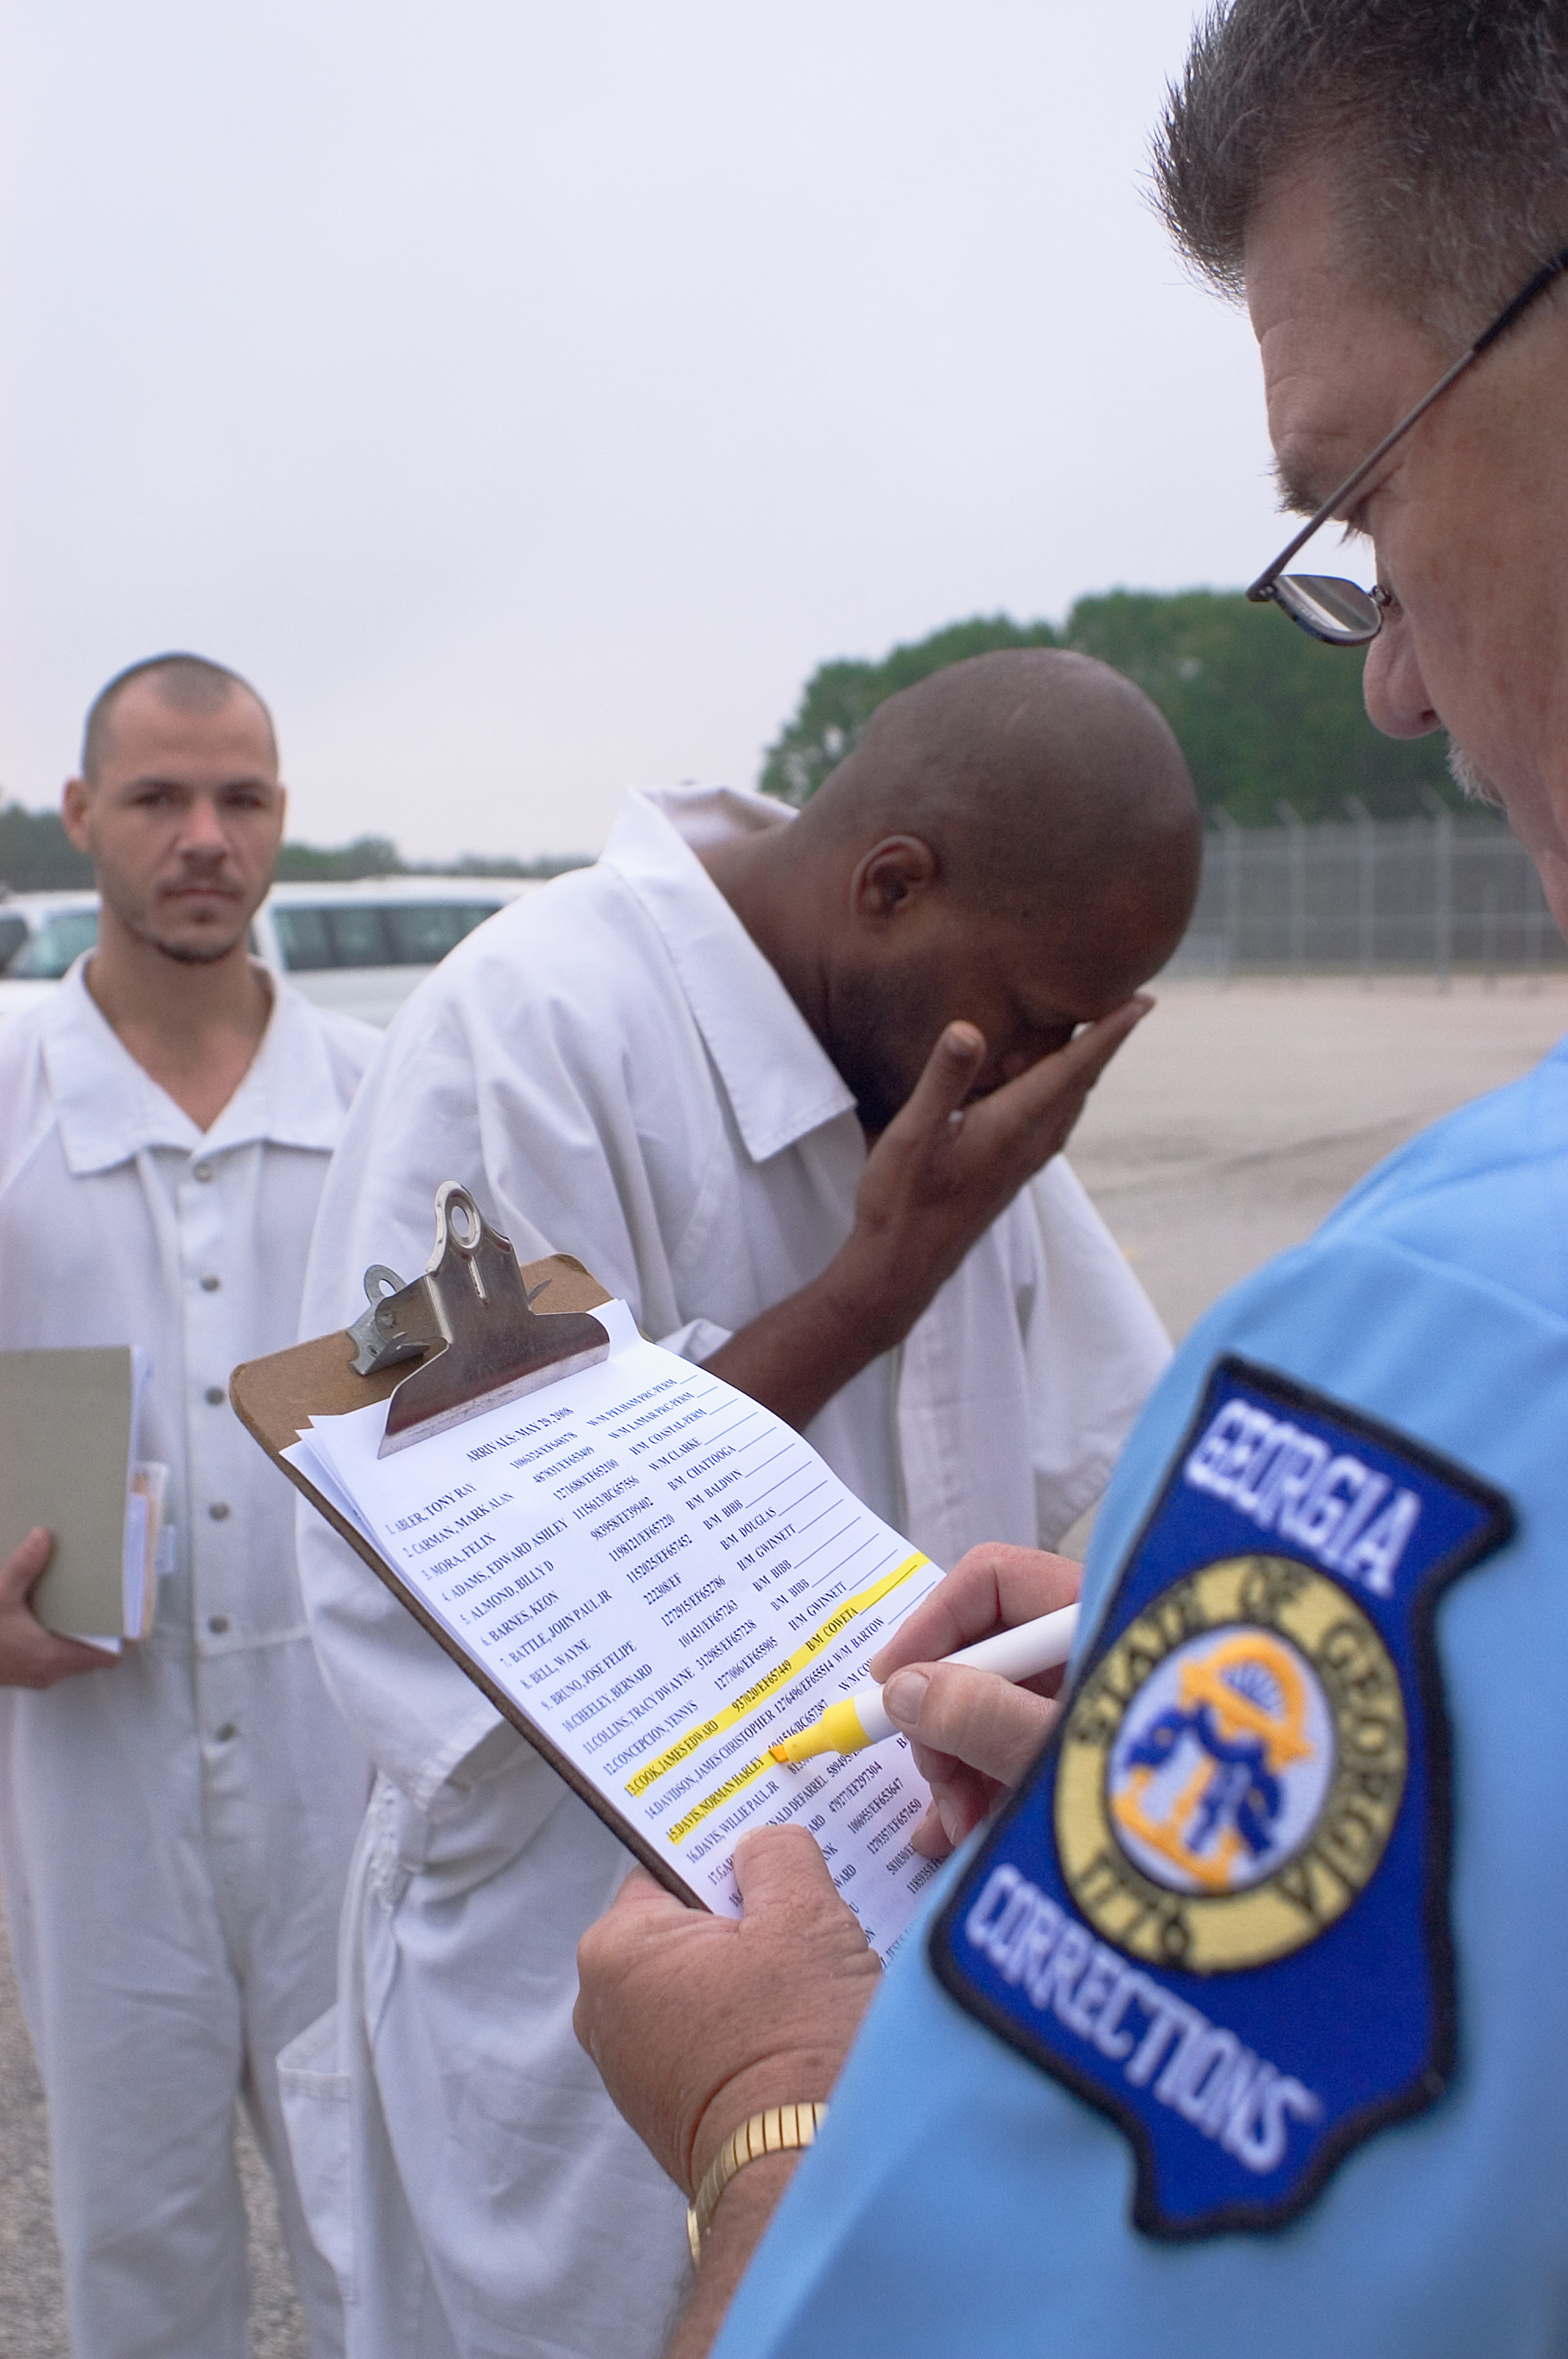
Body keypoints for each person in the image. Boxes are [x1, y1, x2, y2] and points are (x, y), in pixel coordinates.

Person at [571, 6, 1568, 2354]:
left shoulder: (1447, 1359)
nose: (1397, 682)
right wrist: (1173, 1620)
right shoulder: (541, 1019)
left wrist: (774, 2113)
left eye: (1364, 499)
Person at [286, 644, 1202, 2359]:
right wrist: (874, 1288)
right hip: (582, 2024)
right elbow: (458, 1555)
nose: (1054, 1062)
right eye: (1042, 1012)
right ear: (891, 886)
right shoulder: (530, 1027)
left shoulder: (948, 1062)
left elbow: (1125, 1444)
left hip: (903, 1981)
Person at [0, 654, 376, 2359]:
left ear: (284, 817)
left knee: (385, 2236)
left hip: (348, 1775)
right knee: (138, 2255)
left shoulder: (387, 1101)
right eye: (159, 797)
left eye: (242, 798)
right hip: (88, 1781)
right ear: (82, 816)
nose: (205, 837)